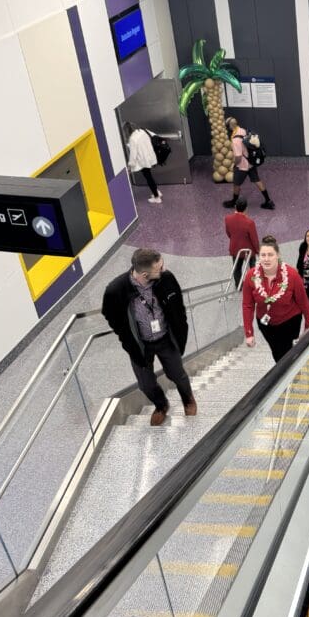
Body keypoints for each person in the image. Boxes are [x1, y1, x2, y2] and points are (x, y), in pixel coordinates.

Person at [102, 248, 197, 426]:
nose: (164, 269)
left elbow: (179, 308)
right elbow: (109, 314)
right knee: (145, 384)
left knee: (178, 375)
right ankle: (161, 405)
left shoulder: (167, 279)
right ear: (145, 274)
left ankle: (188, 400)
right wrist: (125, 338)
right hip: (140, 346)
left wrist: (181, 335)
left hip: (166, 340)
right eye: (159, 268)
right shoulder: (116, 290)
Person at [242, 235, 309, 362]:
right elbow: (247, 305)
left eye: (270, 255)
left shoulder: (291, 275)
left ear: (278, 255)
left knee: (283, 352)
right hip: (266, 324)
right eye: (263, 255)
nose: (266, 259)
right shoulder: (250, 276)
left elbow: (303, 301)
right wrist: (249, 332)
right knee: (276, 350)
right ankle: (288, 371)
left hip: (289, 321)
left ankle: (287, 373)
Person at [222, 116, 274, 210]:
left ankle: (234, 201)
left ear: (230, 127)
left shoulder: (235, 141)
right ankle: (268, 201)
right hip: (251, 162)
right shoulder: (243, 130)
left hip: (242, 165)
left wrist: (235, 164)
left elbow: (238, 156)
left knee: (236, 183)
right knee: (257, 180)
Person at [225, 196, 259, 288]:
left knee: (237, 268)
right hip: (249, 250)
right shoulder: (249, 222)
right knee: (252, 268)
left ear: (235, 207)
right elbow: (254, 239)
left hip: (235, 248)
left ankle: (238, 285)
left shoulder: (227, 219)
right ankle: (253, 285)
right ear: (246, 208)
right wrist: (258, 250)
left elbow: (228, 233)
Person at [125, 122, 162, 204]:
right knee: (149, 176)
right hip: (149, 157)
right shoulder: (142, 132)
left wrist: (130, 166)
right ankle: (156, 192)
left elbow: (133, 155)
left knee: (148, 178)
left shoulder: (132, 139)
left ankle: (157, 198)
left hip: (143, 161)